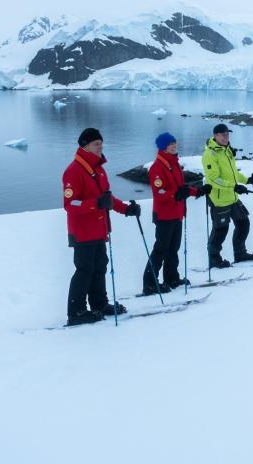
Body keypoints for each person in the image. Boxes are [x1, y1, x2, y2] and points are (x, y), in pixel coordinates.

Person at [63, 127, 140, 326]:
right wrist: (95, 204)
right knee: (84, 270)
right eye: (96, 144)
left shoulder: (98, 169)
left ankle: (99, 304)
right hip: (82, 231)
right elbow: (70, 204)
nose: (100, 147)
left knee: (99, 268)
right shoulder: (74, 171)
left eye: (101, 143)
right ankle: (76, 311)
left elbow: (107, 198)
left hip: (99, 229)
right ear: (85, 146)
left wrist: (126, 209)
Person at [142, 132, 211, 295]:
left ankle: (171, 278)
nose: (174, 146)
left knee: (173, 248)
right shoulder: (157, 167)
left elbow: (182, 189)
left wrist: (198, 191)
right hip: (164, 214)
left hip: (177, 213)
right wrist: (175, 195)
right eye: (170, 144)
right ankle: (150, 283)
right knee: (161, 249)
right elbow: (159, 192)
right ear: (163, 147)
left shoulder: (174, 164)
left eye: (174, 143)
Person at [201, 123, 253, 268]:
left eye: (228, 134)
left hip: (232, 197)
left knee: (243, 223)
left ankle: (240, 254)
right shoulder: (210, 154)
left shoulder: (227, 150)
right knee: (221, 230)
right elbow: (214, 178)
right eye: (223, 134)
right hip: (219, 199)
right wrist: (234, 186)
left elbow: (233, 173)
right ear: (215, 136)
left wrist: (246, 180)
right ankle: (214, 259)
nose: (226, 137)